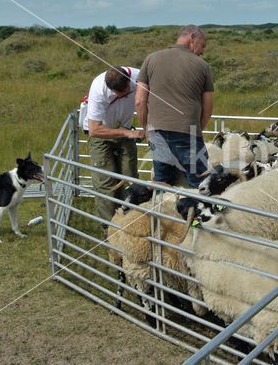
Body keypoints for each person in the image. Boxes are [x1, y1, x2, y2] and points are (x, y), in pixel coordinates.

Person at [135, 24, 214, 188]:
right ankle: (198, 213)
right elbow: (208, 109)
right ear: (192, 37)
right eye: (202, 46)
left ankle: (160, 213)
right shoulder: (202, 66)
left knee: (162, 184)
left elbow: (140, 101)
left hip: (157, 133)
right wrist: (197, 130)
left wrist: (147, 131)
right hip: (188, 133)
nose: (202, 51)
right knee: (201, 185)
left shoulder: (151, 59)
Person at [83, 66, 145, 231]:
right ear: (110, 88)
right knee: (105, 182)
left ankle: (131, 224)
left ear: (129, 81)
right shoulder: (98, 88)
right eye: (119, 95)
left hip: (125, 131)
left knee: (130, 179)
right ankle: (110, 231)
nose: (125, 96)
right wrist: (126, 133)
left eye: (126, 93)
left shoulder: (140, 76)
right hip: (101, 135)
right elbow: (95, 130)